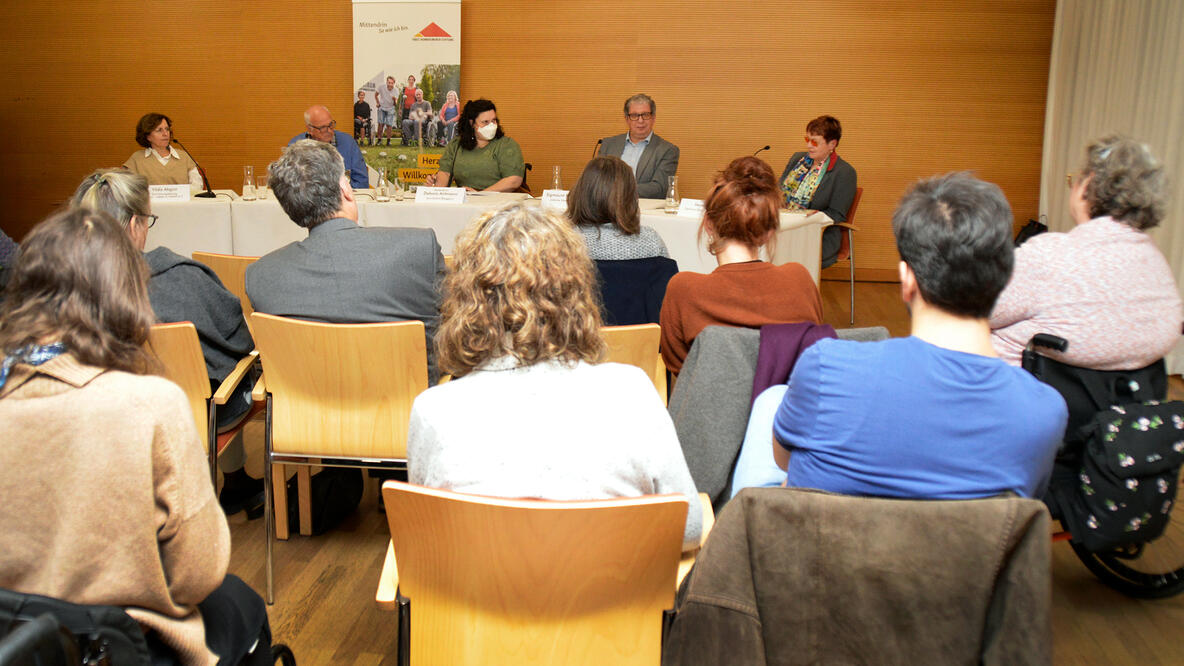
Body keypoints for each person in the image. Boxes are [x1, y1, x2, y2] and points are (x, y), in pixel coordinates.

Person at [0, 208, 274, 665]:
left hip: (18, 642)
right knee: (242, 605)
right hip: (124, 643)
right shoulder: (149, 404)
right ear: (126, 294)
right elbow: (197, 574)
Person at [732, 172, 1067, 500]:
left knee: (771, 400)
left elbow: (785, 460)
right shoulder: (1044, 412)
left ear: (906, 279)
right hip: (961, 555)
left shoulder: (826, 367)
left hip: (825, 549)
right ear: (1004, 278)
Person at [406, 203, 702, 551]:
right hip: (608, 600)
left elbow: (428, 539)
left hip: (476, 601)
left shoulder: (434, 410)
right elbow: (689, 529)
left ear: (468, 299)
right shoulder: (632, 391)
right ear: (575, 293)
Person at [69, 168, 262, 517]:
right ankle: (233, 481)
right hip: (190, 414)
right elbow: (238, 340)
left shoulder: (63, 291)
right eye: (148, 219)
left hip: (97, 419)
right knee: (226, 373)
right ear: (132, 226)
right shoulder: (182, 277)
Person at [246, 139, 445, 384]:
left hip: (307, 416)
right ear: (346, 189)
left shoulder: (261, 276)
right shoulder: (417, 249)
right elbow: (457, 330)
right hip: (406, 410)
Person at [990, 135, 1183, 369]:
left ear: (1088, 186)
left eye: (1074, 180)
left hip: (1025, 391)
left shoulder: (1049, 254)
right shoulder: (1155, 261)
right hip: (1123, 395)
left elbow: (979, 310)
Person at [659, 157, 822, 375]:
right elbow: (811, 353)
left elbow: (680, 367)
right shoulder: (799, 280)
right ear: (769, 231)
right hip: (784, 406)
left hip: (713, 406)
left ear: (708, 224)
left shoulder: (684, 289)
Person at [780, 115, 857, 268]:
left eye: (814, 141)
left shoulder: (844, 172)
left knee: (778, 255)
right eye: (807, 139)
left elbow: (836, 214)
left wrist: (807, 218)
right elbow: (778, 191)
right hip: (782, 227)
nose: (809, 145)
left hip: (817, 235)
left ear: (832, 144)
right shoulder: (797, 159)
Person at [568, 156, 669, 260]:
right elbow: (669, 275)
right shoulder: (652, 241)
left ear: (580, 193)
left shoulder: (564, 242)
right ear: (631, 196)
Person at [424, 99, 524, 192]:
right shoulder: (456, 145)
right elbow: (445, 173)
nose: (491, 125)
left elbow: (514, 180)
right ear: (471, 123)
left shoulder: (506, 145)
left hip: (498, 205)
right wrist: (435, 186)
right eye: (485, 122)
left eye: (494, 120)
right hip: (464, 204)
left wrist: (481, 195)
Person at [598, 94, 680, 199]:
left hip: (643, 210)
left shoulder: (667, 150)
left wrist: (620, 190)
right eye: (634, 116)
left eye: (645, 115)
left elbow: (660, 188)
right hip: (606, 206)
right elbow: (598, 179)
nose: (640, 120)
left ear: (653, 118)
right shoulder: (608, 144)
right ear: (627, 119)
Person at [287, 105, 369, 189]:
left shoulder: (348, 143)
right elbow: (289, 184)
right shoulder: (295, 147)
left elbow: (362, 181)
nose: (329, 131)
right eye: (323, 128)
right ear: (310, 129)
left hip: (342, 199)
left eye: (331, 125)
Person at [123, 112, 203, 189]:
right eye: (159, 130)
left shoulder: (184, 156)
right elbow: (127, 187)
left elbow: (197, 185)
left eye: (167, 129)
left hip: (181, 202)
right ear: (148, 136)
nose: (165, 134)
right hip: (149, 202)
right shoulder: (137, 159)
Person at [375, 76, 398, 146]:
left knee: (389, 125)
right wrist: (378, 103)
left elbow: (395, 104)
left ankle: (388, 141)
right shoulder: (381, 87)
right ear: (386, 82)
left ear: (394, 83)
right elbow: (376, 95)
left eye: (392, 83)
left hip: (390, 108)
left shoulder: (396, 90)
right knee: (380, 124)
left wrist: (394, 99)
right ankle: (379, 140)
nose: (390, 84)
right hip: (382, 107)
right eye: (389, 82)